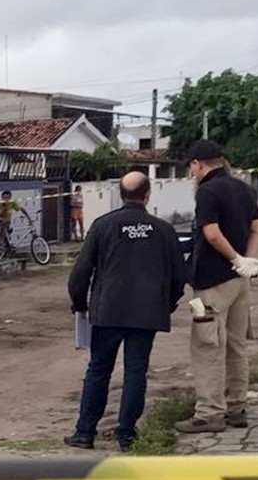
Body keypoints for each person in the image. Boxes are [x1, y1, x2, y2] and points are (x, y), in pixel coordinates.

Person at [64, 172, 187, 451]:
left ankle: (85, 432)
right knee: (136, 372)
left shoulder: (103, 225)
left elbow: (80, 273)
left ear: (121, 194)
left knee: (99, 369)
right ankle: (127, 435)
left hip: (108, 310)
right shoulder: (163, 230)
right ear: (148, 195)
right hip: (147, 313)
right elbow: (180, 276)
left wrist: (80, 305)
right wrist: (165, 305)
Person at [176, 140, 258, 435]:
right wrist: (246, 261)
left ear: (198, 164)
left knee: (207, 345)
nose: (192, 173)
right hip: (240, 280)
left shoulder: (207, 191)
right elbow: (257, 228)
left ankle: (209, 413)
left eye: (192, 167)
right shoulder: (243, 188)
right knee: (236, 345)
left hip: (213, 281)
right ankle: (237, 407)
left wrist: (234, 258)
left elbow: (212, 234)